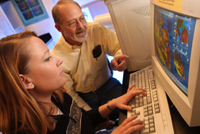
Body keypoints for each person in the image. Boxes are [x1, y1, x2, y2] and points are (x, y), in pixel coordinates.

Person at [0, 31, 146, 134]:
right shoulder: (31, 130)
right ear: (25, 81)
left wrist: (112, 103)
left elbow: (83, 119)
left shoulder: (57, 97)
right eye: (47, 58)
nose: (59, 60)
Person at [51, 0, 129, 121]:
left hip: (109, 86)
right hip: (83, 97)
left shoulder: (96, 29)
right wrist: (94, 118)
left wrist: (117, 59)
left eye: (82, 18)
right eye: (72, 23)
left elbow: (119, 47)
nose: (81, 26)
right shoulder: (56, 57)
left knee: (129, 110)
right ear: (59, 28)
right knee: (93, 125)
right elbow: (71, 95)